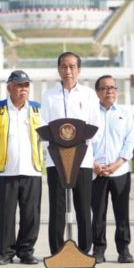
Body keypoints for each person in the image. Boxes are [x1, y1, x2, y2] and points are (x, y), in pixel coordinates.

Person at [0, 70, 44, 265]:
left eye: (26, 86)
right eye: (19, 85)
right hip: (5, 171)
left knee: (31, 214)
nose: (23, 89)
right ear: (9, 87)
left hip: (32, 169)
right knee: (6, 213)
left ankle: (26, 251)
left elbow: (46, 137)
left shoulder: (38, 109)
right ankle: (6, 252)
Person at [41, 52, 101, 255]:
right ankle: (57, 252)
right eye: (64, 66)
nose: (68, 71)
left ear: (79, 70)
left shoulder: (89, 94)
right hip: (56, 159)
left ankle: (85, 251)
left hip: (82, 159)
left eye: (72, 66)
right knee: (57, 209)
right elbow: (43, 125)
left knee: (83, 207)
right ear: (58, 69)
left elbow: (95, 125)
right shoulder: (49, 95)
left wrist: (76, 143)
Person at [90, 75, 134, 263]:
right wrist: (94, 166)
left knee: (122, 213)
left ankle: (124, 249)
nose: (109, 91)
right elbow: (84, 143)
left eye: (112, 88)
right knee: (98, 214)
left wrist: (117, 163)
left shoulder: (125, 113)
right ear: (97, 92)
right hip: (96, 172)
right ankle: (98, 250)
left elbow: (129, 142)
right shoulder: (91, 114)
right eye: (104, 88)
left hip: (120, 172)